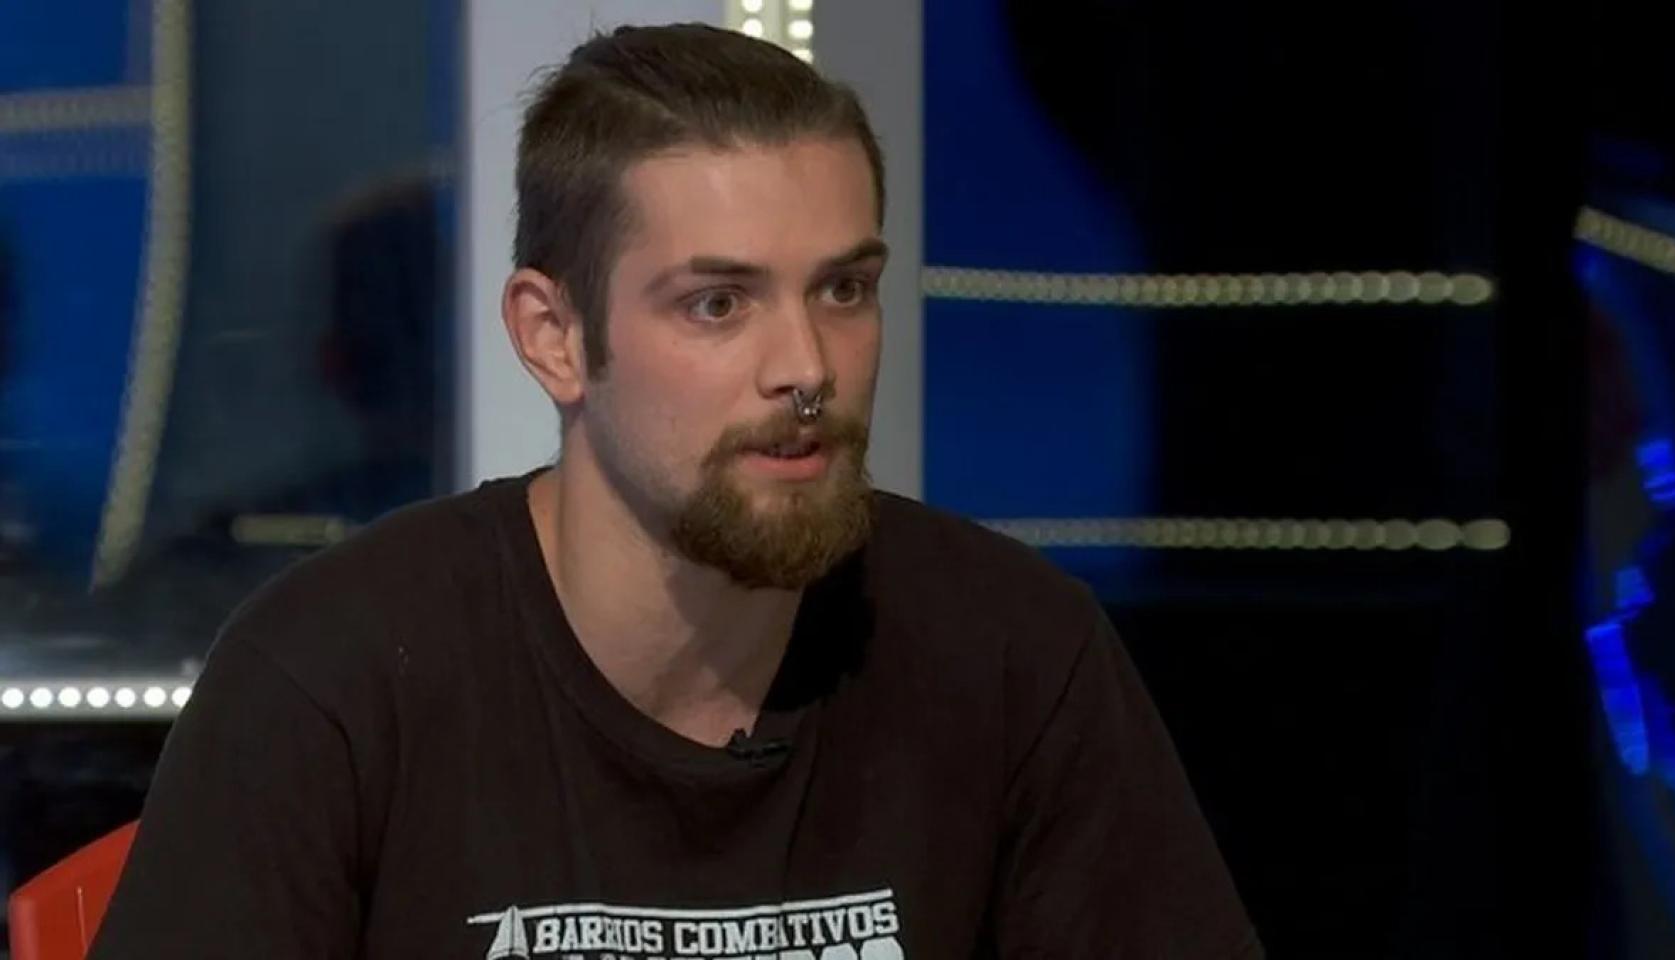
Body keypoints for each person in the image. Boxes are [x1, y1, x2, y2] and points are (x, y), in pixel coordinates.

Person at [91, 23, 1260, 959]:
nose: (805, 367)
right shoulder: (333, 675)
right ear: (553, 337)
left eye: (842, 291)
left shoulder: (1010, 650)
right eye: (717, 303)